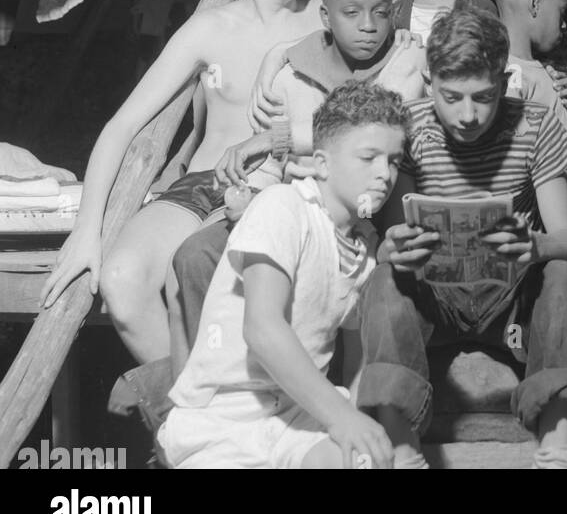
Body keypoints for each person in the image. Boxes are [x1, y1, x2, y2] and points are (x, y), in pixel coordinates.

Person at [42, 0, 321, 363]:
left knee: (195, 280)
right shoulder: (209, 30)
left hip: (272, 188)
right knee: (121, 281)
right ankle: (186, 417)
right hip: (199, 184)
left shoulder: (326, 17)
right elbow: (121, 125)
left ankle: (214, 412)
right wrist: (87, 229)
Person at [356, 7, 567, 469]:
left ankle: (557, 452)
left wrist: (538, 246)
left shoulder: (536, 122)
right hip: (438, 301)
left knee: (564, 274)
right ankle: (404, 456)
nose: (467, 115)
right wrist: (392, 247)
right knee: (385, 279)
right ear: (429, 84)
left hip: (511, 302)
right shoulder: (409, 128)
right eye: (451, 97)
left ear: (504, 83)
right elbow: (393, 230)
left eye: (483, 97)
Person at [168, 0, 426, 374]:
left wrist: (276, 137)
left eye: (381, 13)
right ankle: (215, 390)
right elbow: (275, 166)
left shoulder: (405, 61)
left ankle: (338, 403)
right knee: (196, 254)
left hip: (366, 216)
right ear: (325, 15)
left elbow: (372, 131)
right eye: (351, 13)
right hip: (292, 213)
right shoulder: (294, 73)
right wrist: (248, 194)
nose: (367, 26)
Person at [157, 82, 407, 469]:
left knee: (363, 459)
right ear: (321, 164)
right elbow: (261, 328)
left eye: (393, 160)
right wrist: (340, 416)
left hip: (298, 416)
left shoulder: (364, 249)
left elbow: (357, 361)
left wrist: (353, 422)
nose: (384, 174)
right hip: (224, 419)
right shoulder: (284, 207)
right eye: (368, 157)